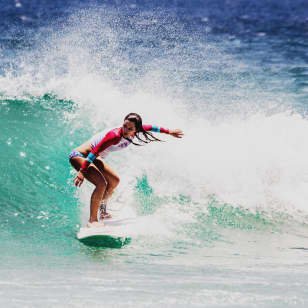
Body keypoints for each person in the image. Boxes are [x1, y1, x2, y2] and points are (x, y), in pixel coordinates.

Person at [69, 113, 184, 227]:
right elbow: (94, 152)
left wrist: (169, 132)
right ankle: (92, 220)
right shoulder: (114, 136)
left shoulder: (135, 130)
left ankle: (102, 210)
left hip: (93, 158)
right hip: (81, 156)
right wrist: (82, 171)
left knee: (114, 181)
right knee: (101, 184)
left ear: (136, 129)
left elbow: (153, 128)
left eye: (130, 129)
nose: (126, 130)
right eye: (124, 126)